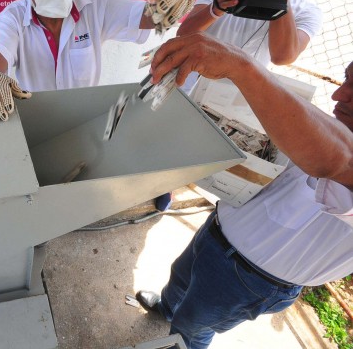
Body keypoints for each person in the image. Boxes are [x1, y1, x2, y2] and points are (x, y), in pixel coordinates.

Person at [133, 32, 353, 349]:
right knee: (181, 277)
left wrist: (242, 67)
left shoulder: (338, 149)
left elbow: (340, 161)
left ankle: (180, 334)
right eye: (346, 80)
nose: (338, 96)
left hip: (252, 279)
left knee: (192, 327)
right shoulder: (335, 125)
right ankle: (167, 307)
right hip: (218, 229)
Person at [0, 0, 194, 212]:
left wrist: (168, 2)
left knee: (85, 188)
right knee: (41, 192)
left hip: (86, 122)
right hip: (38, 125)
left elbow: (148, 17)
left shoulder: (96, 3)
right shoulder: (14, 17)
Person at [176, 0, 322, 93]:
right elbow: (183, 34)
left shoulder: (307, 11)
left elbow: (282, 57)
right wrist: (217, 9)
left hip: (228, 97)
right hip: (184, 80)